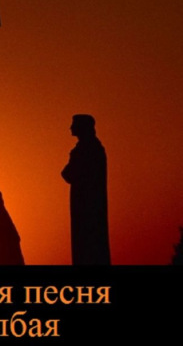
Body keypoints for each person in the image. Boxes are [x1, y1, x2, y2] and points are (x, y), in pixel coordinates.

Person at [61, 114, 111, 265]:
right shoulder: (91, 148)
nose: (71, 128)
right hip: (87, 205)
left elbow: (68, 173)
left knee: (88, 245)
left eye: (74, 125)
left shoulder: (87, 149)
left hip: (87, 206)